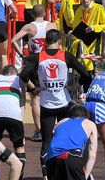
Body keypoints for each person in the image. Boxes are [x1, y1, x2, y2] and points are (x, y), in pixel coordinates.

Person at [19, 29, 92, 160]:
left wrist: (33, 88)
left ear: (46, 42)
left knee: (46, 141)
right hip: (64, 103)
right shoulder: (66, 56)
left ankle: (46, 174)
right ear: (59, 41)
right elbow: (86, 74)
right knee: (67, 137)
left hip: (46, 104)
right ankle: (65, 168)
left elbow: (23, 74)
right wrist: (75, 86)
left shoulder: (38, 56)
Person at [0, 65, 27, 175]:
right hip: (14, 114)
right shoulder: (18, 80)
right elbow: (22, 103)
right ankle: (18, 177)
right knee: (19, 148)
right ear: (15, 74)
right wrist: (21, 127)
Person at [41, 103, 98, 180]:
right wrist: (85, 176)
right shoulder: (90, 123)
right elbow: (92, 155)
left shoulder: (61, 122)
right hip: (71, 157)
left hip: (51, 158)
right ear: (86, 116)